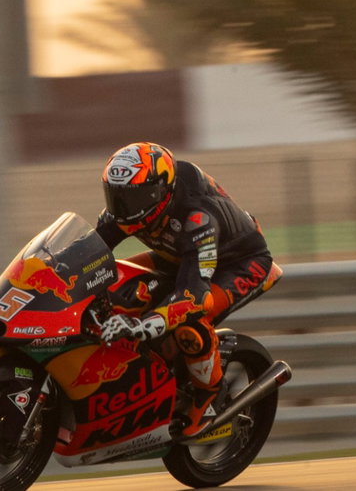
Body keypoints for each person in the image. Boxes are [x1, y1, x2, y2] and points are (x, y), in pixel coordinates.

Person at [93, 141, 282, 441]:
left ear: (161, 190)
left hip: (237, 264)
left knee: (188, 324)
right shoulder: (127, 209)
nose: (124, 207)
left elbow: (193, 297)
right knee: (111, 279)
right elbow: (92, 256)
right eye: (117, 196)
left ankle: (209, 394)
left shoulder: (198, 219)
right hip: (178, 255)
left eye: (134, 196)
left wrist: (142, 325)